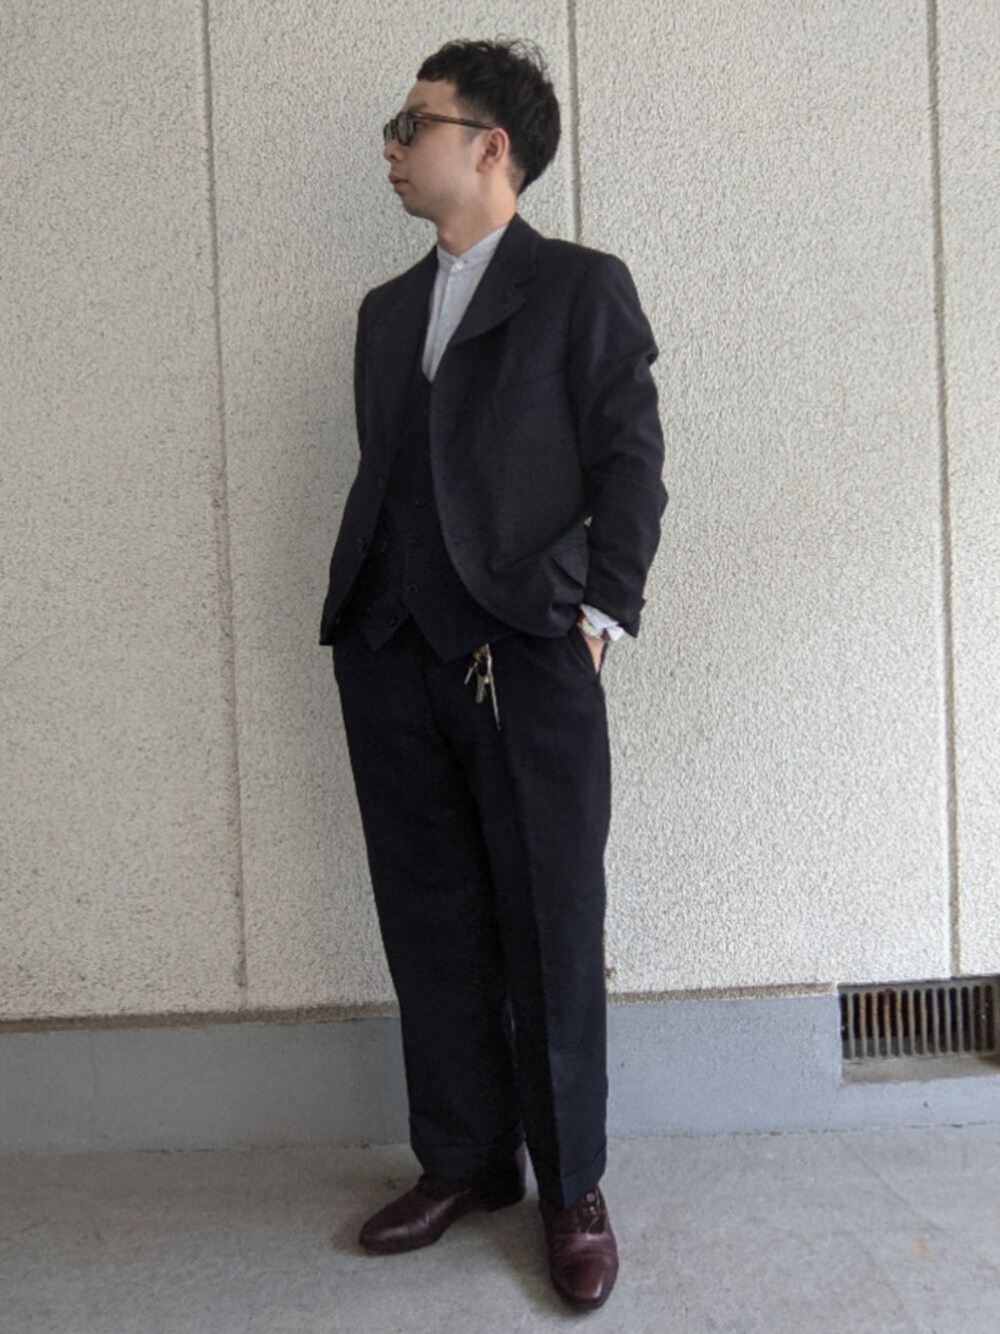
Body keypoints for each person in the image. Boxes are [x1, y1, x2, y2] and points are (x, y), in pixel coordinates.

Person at [318, 36, 667, 1312]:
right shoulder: (382, 312)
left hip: (527, 655)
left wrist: (599, 616)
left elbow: (630, 463)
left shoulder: (580, 288)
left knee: (550, 920)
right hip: (389, 650)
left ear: (491, 146)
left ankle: (572, 1185)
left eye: (415, 122)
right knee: (430, 917)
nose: (393, 145)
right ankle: (466, 1157)